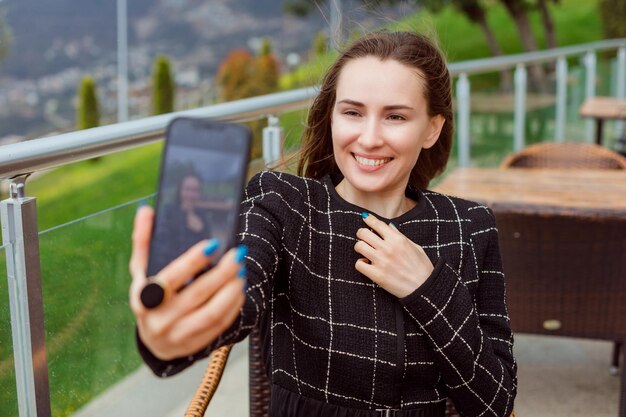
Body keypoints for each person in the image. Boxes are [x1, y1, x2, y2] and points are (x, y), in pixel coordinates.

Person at [129, 31, 517, 417]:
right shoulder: (283, 203)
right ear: (331, 116)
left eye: (395, 116)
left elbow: (495, 403)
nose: (369, 138)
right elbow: (239, 297)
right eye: (352, 112)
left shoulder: (469, 226)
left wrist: (427, 288)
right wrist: (165, 336)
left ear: (432, 128)